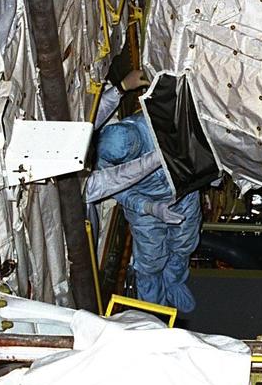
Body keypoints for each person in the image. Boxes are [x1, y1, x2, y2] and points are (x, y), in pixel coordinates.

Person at [86, 76, 202, 313]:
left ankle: (174, 279)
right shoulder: (105, 159)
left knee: (184, 243)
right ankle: (153, 306)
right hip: (144, 207)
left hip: (183, 195)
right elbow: (119, 190)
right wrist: (150, 208)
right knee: (150, 259)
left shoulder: (158, 124)